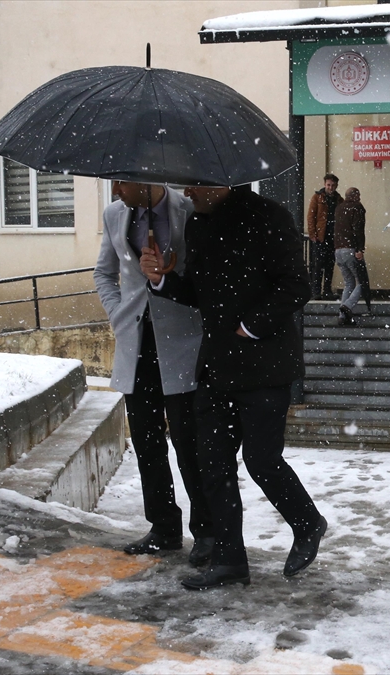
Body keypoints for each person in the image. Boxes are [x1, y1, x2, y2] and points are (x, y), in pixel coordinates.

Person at [142, 184, 327, 591]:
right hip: (216, 367)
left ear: (223, 181)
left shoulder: (270, 216)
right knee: (213, 465)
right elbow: (199, 293)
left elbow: (296, 285)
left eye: (196, 182)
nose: (187, 192)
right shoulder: (198, 224)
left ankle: (308, 522)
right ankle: (229, 560)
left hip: (263, 366)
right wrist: (161, 280)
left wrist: (252, 325)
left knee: (262, 462)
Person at [93, 181, 212, 566]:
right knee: (146, 442)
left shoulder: (189, 210)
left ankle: (207, 532)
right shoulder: (114, 214)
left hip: (182, 344)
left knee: (189, 443)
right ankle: (163, 527)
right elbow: (103, 273)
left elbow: (204, 276)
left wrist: (168, 275)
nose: (115, 187)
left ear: (146, 178)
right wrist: (118, 315)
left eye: (122, 180)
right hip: (136, 344)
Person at [333, 187, 366, 326]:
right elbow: (358, 229)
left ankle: (342, 316)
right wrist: (359, 249)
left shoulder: (339, 208)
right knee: (362, 283)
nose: (359, 198)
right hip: (350, 249)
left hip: (338, 250)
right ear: (355, 196)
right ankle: (347, 306)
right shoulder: (357, 208)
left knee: (348, 283)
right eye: (358, 195)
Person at [307, 173, 341, 301]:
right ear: (324, 184)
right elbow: (311, 216)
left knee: (329, 265)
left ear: (336, 185)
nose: (330, 187)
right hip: (321, 237)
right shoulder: (317, 198)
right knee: (318, 265)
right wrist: (313, 234)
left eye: (332, 185)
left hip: (332, 237)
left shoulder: (338, 199)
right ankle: (316, 290)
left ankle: (326, 290)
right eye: (328, 185)